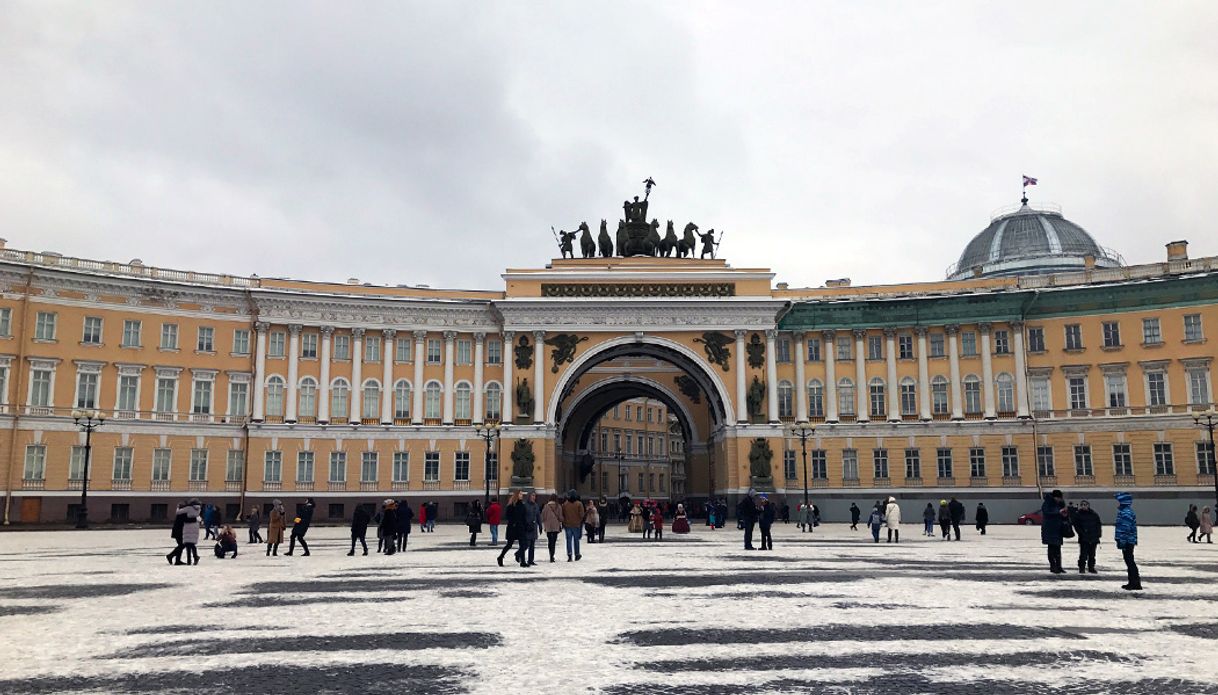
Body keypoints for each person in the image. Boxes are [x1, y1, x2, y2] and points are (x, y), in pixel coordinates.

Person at [1113, 492, 1141, 590]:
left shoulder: (1126, 513)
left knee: (1129, 561)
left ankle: (1135, 582)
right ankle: (1133, 582)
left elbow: (1125, 528)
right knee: (1129, 561)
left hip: (1127, 541)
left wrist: (1122, 540)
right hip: (1128, 540)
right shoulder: (1126, 511)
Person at [1070, 499, 1102, 574]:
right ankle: (1082, 568)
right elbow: (1076, 525)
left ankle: (1091, 567)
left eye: (1085, 505)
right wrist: (1081, 533)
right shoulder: (1078, 515)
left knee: (1092, 554)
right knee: (1083, 554)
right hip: (1084, 537)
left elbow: (1098, 524)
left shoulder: (1094, 514)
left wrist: (1098, 534)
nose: (1084, 506)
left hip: (1094, 537)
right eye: (1082, 505)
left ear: (1088, 506)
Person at [496, 490, 527, 567]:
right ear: (516, 495)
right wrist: (513, 522)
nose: (521, 495)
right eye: (520, 494)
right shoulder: (511, 505)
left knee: (522, 544)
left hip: (520, 527)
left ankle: (522, 561)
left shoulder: (522, 505)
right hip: (513, 528)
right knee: (509, 544)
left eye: (522, 494)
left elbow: (523, 517)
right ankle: (500, 557)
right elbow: (508, 516)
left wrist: (525, 525)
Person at [1041, 490, 1067, 574]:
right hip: (1049, 529)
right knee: (1051, 548)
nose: (1060, 499)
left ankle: (1059, 566)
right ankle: (1053, 566)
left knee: (1058, 548)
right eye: (1059, 498)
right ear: (1055, 497)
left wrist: (1065, 514)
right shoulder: (1048, 503)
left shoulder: (1060, 503)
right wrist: (1058, 512)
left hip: (1058, 528)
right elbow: (1046, 512)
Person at [166, 499, 191, 565]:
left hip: (178, 531)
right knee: (182, 545)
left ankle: (177, 560)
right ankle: (170, 556)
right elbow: (187, 521)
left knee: (181, 545)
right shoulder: (182, 513)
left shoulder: (180, 512)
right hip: (179, 532)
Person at [561, 489, 584, 561]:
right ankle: (577, 554)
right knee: (576, 540)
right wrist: (579, 520)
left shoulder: (565, 504)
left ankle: (569, 555)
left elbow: (563, 514)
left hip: (567, 525)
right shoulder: (579, 504)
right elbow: (582, 515)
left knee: (568, 540)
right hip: (576, 525)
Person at [178, 498, 202, 565]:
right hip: (195, 526)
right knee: (192, 544)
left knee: (187, 544)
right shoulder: (199, 509)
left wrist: (178, 507)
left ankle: (189, 560)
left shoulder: (188, 508)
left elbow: (178, 512)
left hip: (188, 527)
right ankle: (195, 557)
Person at [522, 491, 541, 566]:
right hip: (527, 527)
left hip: (534, 528)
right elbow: (523, 516)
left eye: (534, 496)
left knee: (532, 545)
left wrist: (540, 526)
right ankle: (519, 554)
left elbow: (538, 516)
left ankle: (530, 560)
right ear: (529, 497)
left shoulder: (536, 505)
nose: (534, 497)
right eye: (532, 496)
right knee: (527, 544)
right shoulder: (525, 505)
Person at [542, 494, 563, 562]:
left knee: (549, 541)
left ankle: (550, 554)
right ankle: (552, 555)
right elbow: (560, 517)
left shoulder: (546, 506)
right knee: (553, 541)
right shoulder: (558, 506)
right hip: (555, 526)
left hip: (548, 526)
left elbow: (543, 517)